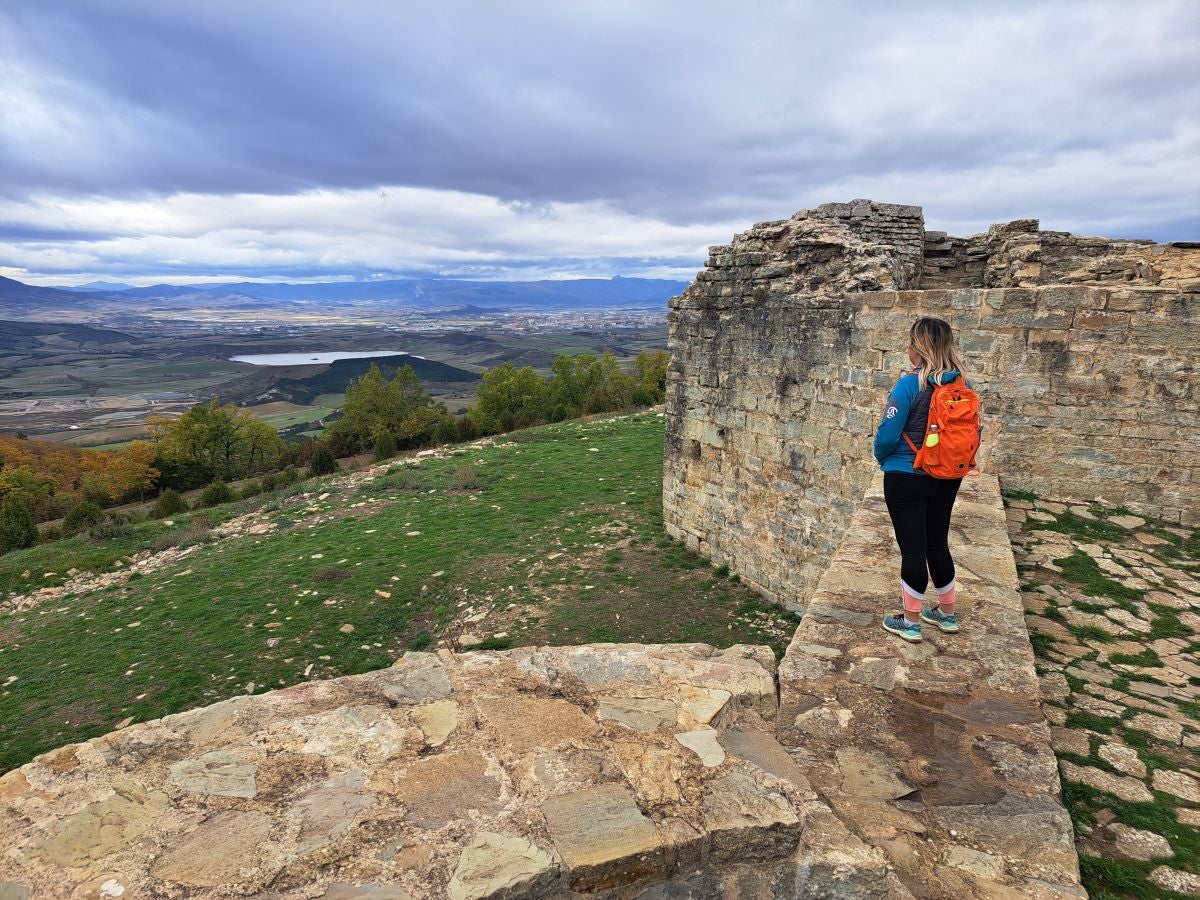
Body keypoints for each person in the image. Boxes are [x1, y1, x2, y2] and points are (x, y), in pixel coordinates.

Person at [872, 316, 979, 643]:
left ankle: (910, 621)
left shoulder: (909, 385)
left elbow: (888, 433)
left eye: (910, 343)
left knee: (913, 549)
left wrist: (882, 457)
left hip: (907, 475)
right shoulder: (963, 386)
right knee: (937, 542)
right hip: (948, 474)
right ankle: (946, 614)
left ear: (918, 348)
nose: (907, 349)